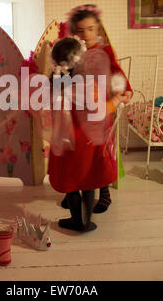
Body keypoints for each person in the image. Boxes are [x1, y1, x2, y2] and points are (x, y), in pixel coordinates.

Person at [47, 36, 129, 232]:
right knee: (89, 180)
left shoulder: (57, 84)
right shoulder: (89, 85)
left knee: (73, 183)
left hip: (68, 141)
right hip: (89, 141)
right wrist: (117, 99)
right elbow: (102, 110)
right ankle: (86, 221)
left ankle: (77, 221)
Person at [58, 4, 133, 214]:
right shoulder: (71, 50)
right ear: (74, 31)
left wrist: (124, 90)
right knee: (74, 151)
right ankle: (72, 190)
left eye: (90, 28)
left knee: (97, 153)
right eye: (81, 30)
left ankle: (104, 193)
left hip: (99, 109)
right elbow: (60, 74)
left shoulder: (104, 51)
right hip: (75, 109)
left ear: (97, 28)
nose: (86, 34)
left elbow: (116, 73)